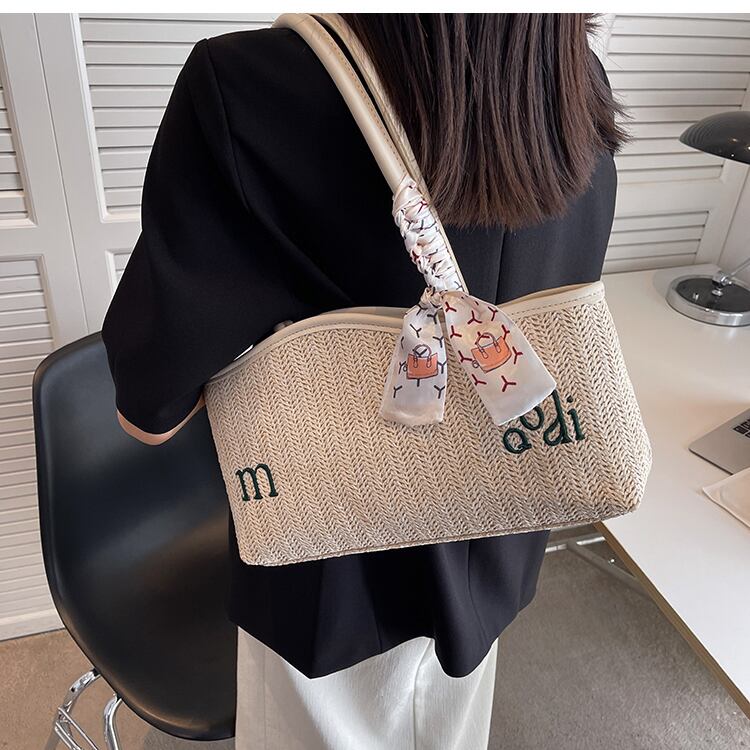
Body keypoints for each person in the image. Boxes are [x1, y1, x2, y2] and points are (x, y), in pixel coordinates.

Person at [101, 13, 624, 750]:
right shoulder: (569, 77)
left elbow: (151, 405)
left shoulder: (250, 83)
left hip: (327, 560)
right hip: (502, 519)